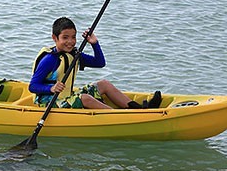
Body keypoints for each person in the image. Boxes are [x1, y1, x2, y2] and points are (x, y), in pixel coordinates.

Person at [29, 17, 161, 109]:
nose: (70, 41)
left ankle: (137, 108)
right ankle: (118, 115)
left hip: (66, 97)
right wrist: (50, 88)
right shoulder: (49, 59)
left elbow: (99, 63)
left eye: (73, 37)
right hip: (48, 104)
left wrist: (94, 44)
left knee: (103, 84)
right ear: (54, 38)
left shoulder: (74, 55)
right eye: (65, 37)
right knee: (85, 98)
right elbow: (33, 86)